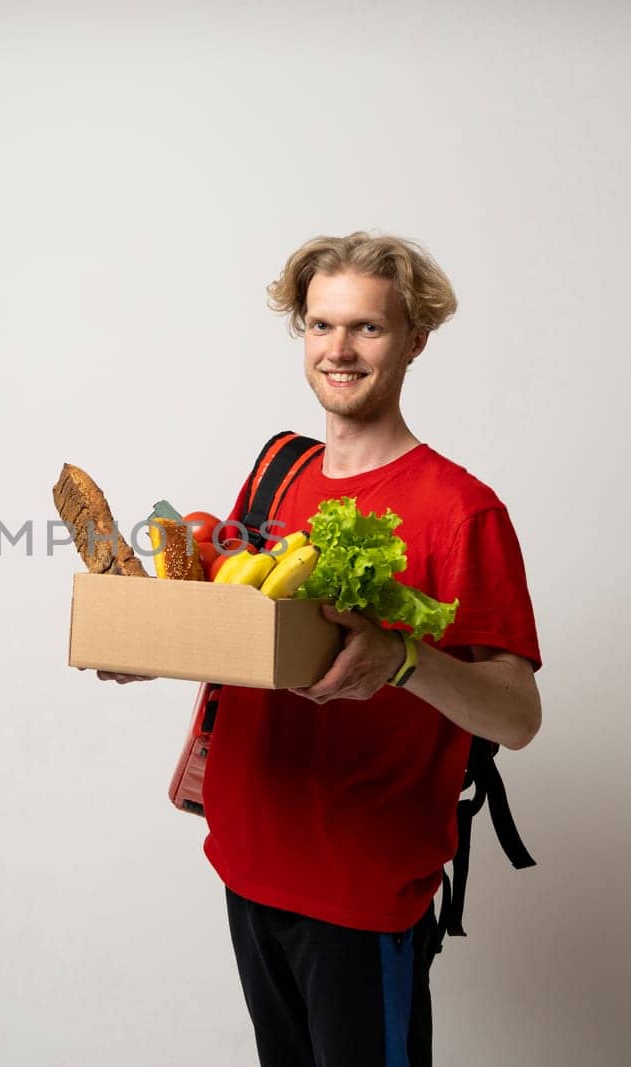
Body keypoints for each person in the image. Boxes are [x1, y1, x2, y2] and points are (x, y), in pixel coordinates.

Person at [95, 231, 543, 1067]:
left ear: (415, 339)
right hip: (246, 859)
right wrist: (148, 644)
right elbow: (237, 625)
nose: (339, 350)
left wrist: (404, 660)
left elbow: (517, 715)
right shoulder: (278, 469)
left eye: (368, 328)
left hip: (361, 886)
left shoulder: (462, 510)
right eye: (320, 324)